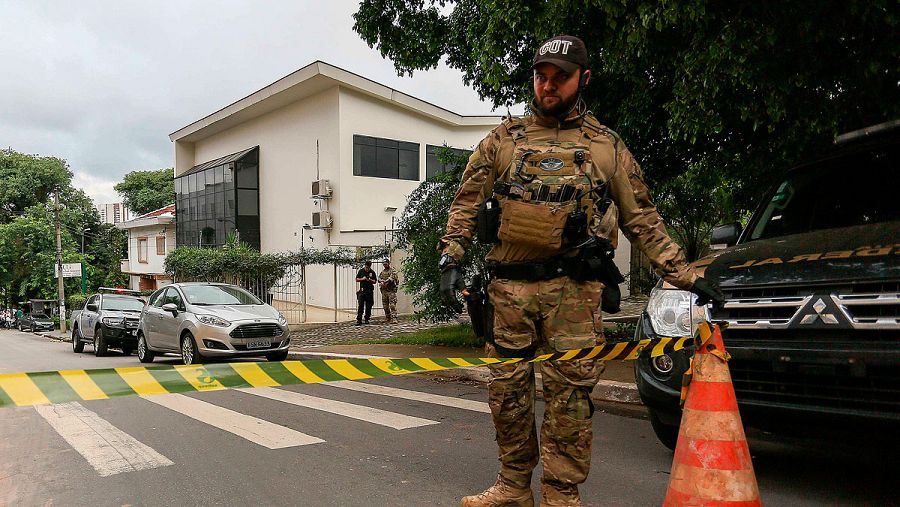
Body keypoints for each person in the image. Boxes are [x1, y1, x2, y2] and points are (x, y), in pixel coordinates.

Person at [438, 35, 725, 507]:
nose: (548, 86)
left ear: (583, 78)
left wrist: (685, 276)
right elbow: (466, 202)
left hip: (574, 295)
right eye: (541, 76)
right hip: (508, 292)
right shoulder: (502, 141)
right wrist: (451, 258)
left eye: (560, 77)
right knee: (506, 397)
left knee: (570, 402)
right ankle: (513, 487)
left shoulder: (606, 147)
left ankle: (560, 494)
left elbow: (643, 219)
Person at [355, 260, 377, 325]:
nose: (367, 269)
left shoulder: (372, 272)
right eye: (366, 267)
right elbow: (356, 279)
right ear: (365, 266)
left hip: (369, 291)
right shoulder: (361, 271)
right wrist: (363, 279)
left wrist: (370, 280)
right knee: (360, 305)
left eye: (368, 267)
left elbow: (375, 281)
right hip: (362, 291)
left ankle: (367, 318)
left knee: (369, 306)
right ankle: (359, 320)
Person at [378, 259, 400, 323]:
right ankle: (388, 318)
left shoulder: (392, 271)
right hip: (384, 291)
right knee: (385, 306)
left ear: (388, 263)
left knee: (392, 305)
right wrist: (381, 281)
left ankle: (394, 318)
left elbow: (391, 279)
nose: (385, 265)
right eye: (384, 264)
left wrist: (384, 282)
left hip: (391, 291)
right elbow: (379, 278)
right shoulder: (383, 272)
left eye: (386, 264)